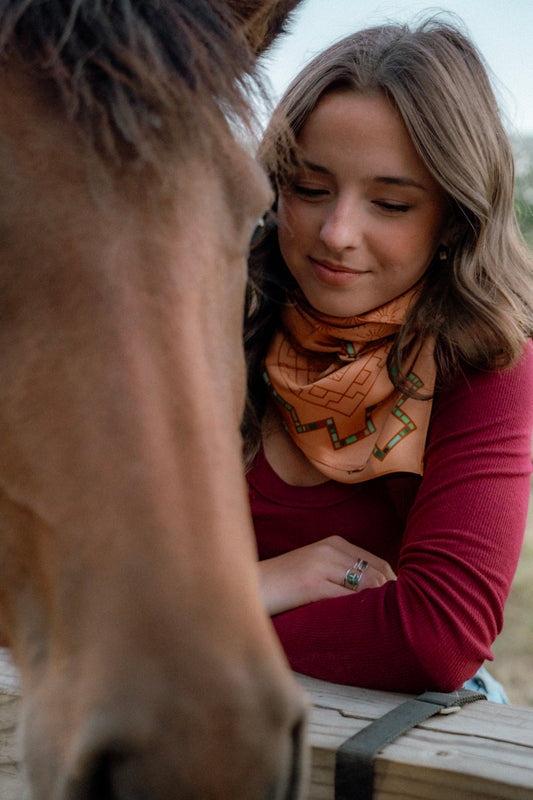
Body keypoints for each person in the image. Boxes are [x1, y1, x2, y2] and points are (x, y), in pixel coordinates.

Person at [242, 17, 533, 699]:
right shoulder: (200, 321)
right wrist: (253, 587)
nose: (337, 233)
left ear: (452, 221)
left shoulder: (486, 364)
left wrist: (159, 625)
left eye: (390, 203)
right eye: (309, 190)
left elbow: (433, 638)